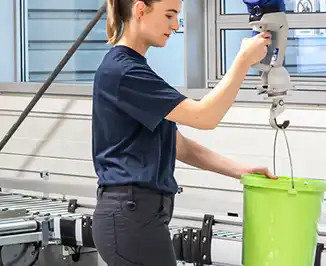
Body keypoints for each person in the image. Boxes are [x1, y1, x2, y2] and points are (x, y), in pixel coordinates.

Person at [91, 0, 276, 265]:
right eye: (169, 15)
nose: (175, 25)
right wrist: (243, 60)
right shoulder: (124, 72)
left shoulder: (135, 70)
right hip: (130, 218)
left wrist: (241, 171)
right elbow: (205, 116)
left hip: (138, 217)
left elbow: (180, 146)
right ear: (140, 10)